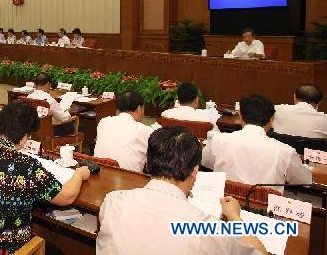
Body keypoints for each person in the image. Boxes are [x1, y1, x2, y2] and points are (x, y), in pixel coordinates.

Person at [97, 127, 266, 254]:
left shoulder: (112, 201)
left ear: (147, 163)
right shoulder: (204, 228)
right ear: (194, 171)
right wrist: (235, 217)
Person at [0, 100, 91, 253]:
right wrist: (79, 174)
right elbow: (67, 197)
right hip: (8, 250)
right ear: (24, 136)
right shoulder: (26, 165)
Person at [202, 95, 311, 192]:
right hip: (265, 211)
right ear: (272, 119)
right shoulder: (285, 151)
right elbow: (304, 180)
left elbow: (204, 161)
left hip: (224, 204)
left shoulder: (219, 140)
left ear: (240, 115)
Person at [94, 91, 156, 172]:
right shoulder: (142, 130)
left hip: (98, 173)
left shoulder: (104, 122)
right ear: (139, 108)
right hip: (127, 180)